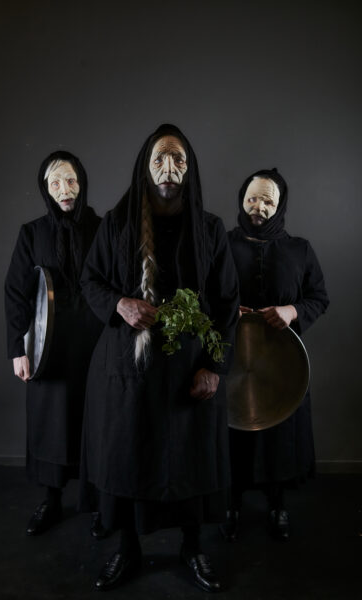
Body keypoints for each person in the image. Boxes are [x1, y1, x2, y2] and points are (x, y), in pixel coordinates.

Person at [79, 124, 239, 592]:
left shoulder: (210, 228)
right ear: (145, 168)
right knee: (128, 455)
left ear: (190, 168)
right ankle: (128, 548)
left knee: (192, 458)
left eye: (178, 159)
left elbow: (227, 303)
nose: (169, 169)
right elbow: (91, 281)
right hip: (129, 367)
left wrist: (215, 366)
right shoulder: (117, 222)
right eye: (159, 160)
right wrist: (119, 304)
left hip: (190, 366)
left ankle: (193, 547)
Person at [220, 168, 329, 543]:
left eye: (267, 200)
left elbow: (318, 297)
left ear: (280, 205)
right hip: (232, 360)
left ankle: (277, 504)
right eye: (251, 198)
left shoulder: (300, 249)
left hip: (284, 364)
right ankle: (231, 504)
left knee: (281, 434)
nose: (258, 207)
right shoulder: (222, 244)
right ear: (242, 200)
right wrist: (226, 312)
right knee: (233, 432)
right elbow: (203, 293)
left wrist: (292, 311)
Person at [5, 151, 103, 535]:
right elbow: (16, 292)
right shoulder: (32, 233)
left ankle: (97, 503)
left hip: (95, 347)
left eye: (72, 180)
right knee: (51, 424)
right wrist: (17, 349)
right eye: (56, 182)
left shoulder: (101, 228)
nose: (66, 189)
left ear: (82, 183)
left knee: (94, 422)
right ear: (46, 189)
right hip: (47, 349)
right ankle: (52, 500)